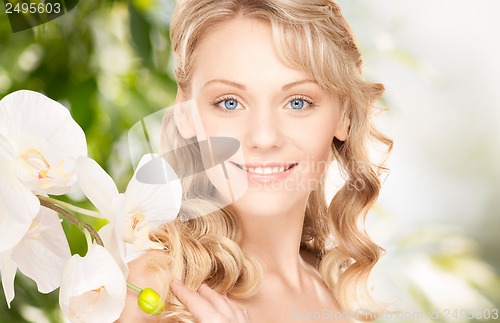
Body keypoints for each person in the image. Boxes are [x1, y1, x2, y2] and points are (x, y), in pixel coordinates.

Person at [119, 0, 392, 322]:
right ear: (186, 113)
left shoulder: (334, 288)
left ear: (344, 115)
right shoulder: (151, 289)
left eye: (298, 102)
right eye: (230, 102)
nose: (263, 138)